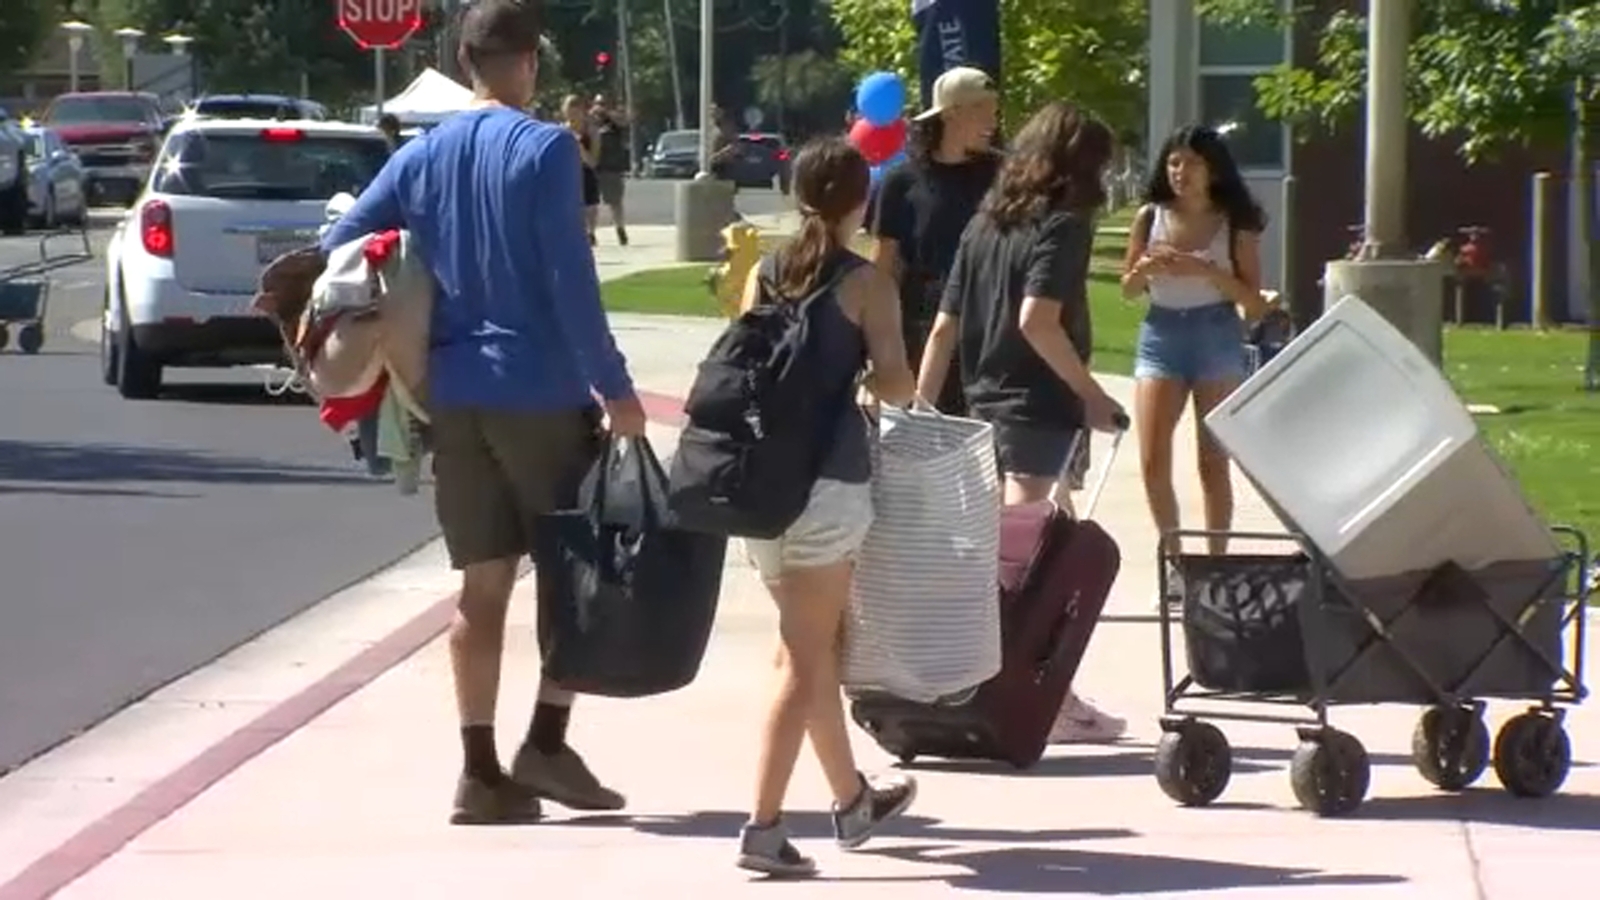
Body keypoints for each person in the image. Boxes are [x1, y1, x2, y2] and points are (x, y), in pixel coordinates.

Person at [319, 0, 648, 825]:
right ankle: (545, 741)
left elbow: (344, 240)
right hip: (538, 392)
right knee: (576, 580)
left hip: (452, 395)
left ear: (466, 63)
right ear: (529, 61)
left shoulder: (422, 156)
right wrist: (616, 389)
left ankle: (478, 770)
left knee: (481, 586)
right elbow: (572, 285)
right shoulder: (543, 150)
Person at [916, 101, 1130, 745]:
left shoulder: (983, 226)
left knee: (1012, 563)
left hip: (981, 404)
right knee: (1032, 576)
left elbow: (944, 328)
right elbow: (1038, 320)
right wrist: (1091, 395)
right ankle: (1035, 691)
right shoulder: (1062, 227)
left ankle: (1028, 686)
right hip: (1036, 410)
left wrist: (923, 414)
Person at [734, 137, 919, 878]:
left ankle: (850, 800)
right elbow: (900, 384)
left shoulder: (765, 272)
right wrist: (869, 377)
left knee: (799, 647)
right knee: (809, 661)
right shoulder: (866, 281)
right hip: (828, 484)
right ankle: (764, 826)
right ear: (860, 201)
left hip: (759, 487)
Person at [1121, 125, 1266, 571]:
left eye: (1192, 163)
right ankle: (1176, 564)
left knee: (1212, 459)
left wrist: (1204, 272)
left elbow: (1254, 303)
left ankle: (1216, 565)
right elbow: (1128, 288)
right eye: (1173, 162)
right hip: (1161, 334)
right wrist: (1147, 266)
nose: (1181, 172)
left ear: (1213, 169)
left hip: (1216, 333)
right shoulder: (1151, 216)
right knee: (1151, 459)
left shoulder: (1233, 223)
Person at [868, 66, 1001, 414]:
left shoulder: (1005, 178)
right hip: (920, 333)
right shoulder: (902, 182)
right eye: (982, 108)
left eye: (994, 109)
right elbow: (885, 269)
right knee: (919, 447)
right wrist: (875, 343)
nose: (993, 119)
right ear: (952, 113)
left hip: (987, 334)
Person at [590, 94, 631, 245]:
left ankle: (620, 229)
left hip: (612, 167)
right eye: (598, 103)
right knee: (591, 204)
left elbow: (625, 122)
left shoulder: (615, 121)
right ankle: (590, 233)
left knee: (615, 202)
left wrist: (608, 114)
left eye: (604, 104)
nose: (600, 107)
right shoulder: (591, 121)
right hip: (593, 166)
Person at [563, 93, 602, 245]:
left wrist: (579, 147)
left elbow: (593, 161)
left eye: (575, 111)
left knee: (590, 206)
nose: (572, 116)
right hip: (566, 173)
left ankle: (591, 233)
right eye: (568, 112)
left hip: (585, 171)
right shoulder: (561, 130)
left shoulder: (591, 131)